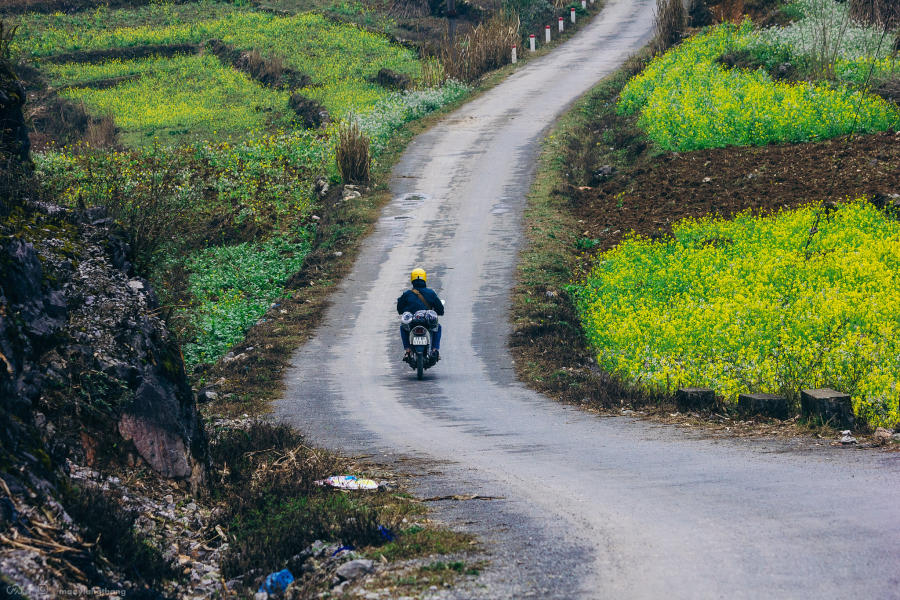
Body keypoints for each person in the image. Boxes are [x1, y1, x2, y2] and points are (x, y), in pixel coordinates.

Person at [397, 268, 444, 360]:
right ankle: (435, 350)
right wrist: (439, 312)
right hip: (427, 321)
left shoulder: (407, 294)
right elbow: (440, 309)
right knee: (438, 327)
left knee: (403, 328)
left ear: (412, 280)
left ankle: (407, 351)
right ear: (424, 279)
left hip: (412, 322)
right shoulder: (431, 293)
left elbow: (399, 308)